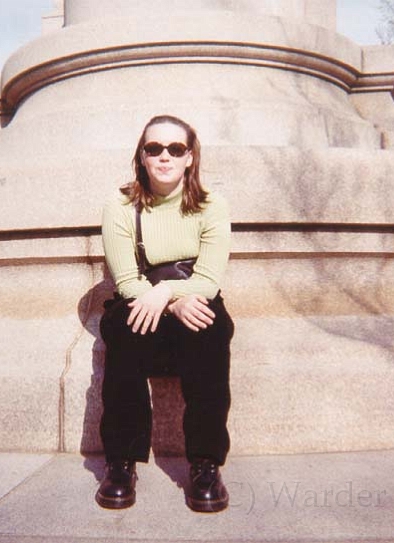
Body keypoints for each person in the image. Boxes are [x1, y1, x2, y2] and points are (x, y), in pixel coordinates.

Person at [97, 114, 234, 513]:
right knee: (124, 331)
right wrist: (166, 299)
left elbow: (207, 280)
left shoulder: (212, 205)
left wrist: (170, 293)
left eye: (176, 149)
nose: (164, 157)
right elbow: (126, 280)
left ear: (190, 157)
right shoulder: (121, 206)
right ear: (142, 156)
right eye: (154, 148)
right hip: (143, 299)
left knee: (209, 330)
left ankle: (205, 463)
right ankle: (121, 462)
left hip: (191, 297)